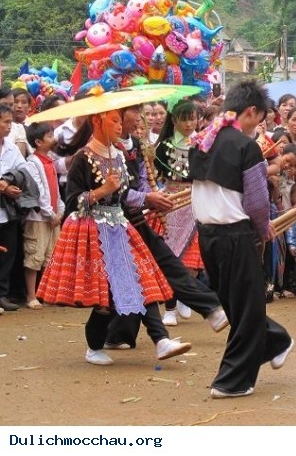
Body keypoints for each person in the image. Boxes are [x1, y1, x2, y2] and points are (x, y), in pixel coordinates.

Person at [37, 109, 192, 365]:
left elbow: (123, 195)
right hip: (92, 233)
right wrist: (102, 190)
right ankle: (96, 346)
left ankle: (161, 340)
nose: (120, 126)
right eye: (115, 121)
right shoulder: (83, 158)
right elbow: (73, 201)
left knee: (140, 280)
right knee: (106, 299)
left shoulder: (119, 154)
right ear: (97, 122)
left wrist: (144, 199)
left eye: (121, 121)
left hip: (119, 227)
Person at [189, 79, 293, 398]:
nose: (257, 128)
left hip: (208, 234)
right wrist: (264, 228)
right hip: (235, 234)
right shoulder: (246, 146)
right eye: (258, 121)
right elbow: (258, 201)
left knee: (237, 304)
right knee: (244, 307)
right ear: (250, 112)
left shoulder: (200, 140)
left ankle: (248, 364)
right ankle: (263, 351)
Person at [105, 104, 228, 350]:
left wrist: (154, 197)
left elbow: (142, 181)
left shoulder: (137, 146)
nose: (139, 118)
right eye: (133, 112)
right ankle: (146, 335)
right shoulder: (103, 150)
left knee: (162, 264)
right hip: (111, 224)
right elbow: (112, 192)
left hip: (136, 218)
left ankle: (208, 309)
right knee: (136, 276)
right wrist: (146, 199)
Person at [153, 100, 203, 326]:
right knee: (171, 257)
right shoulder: (163, 146)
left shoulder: (202, 143)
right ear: (174, 121)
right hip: (172, 204)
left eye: (193, 118)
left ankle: (185, 294)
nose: (189, 123)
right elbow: (158, 172)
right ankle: (170, 307)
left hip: (195, 202)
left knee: (192, 261)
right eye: (184, 118)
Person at [23, 123, 64, 309]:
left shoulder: (50, 161)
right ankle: (31, 295)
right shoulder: (32, 163)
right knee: (35, 255)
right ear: (38, 142)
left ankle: (46, 293)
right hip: (39, 217)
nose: (53, 139)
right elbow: (38, 191)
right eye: (49, 136)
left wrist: (60, 210)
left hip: (53, 215)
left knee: (50, 256)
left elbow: (55, 188)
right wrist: (49, 212)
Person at [0, 104, 28, 312]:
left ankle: (2, 294)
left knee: (8, 253)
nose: (9, 127)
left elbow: (24, 170)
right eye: (5, 122)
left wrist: (10, 184)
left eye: (10, 122)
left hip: (7, 209)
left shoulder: (11, 148)